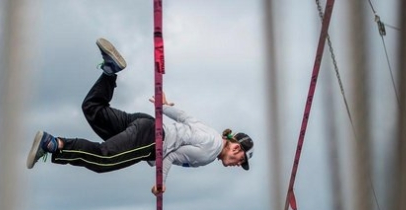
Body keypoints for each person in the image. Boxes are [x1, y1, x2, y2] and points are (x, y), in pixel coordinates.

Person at [26, 38, 253, 195]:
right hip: (151, 140)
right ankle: (53, 144)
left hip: (146, 123)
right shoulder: (209, 152)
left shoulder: (211, 133)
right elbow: (170, 158)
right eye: (240, 160)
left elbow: (185, 117)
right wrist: (161, 183)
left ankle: (109, 71)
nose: (236, 164)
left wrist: (163, 107)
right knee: (103, 159)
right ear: (235, 148)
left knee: (93, 109)